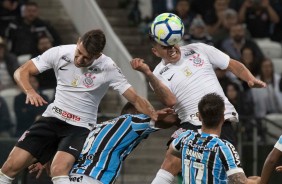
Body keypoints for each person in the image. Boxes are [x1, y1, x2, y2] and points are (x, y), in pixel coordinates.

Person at [0, 29, 157, 184]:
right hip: (52, 118)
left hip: (80, 127)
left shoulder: (108, 67)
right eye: (79, 52)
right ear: (78, 42)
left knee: (58, 170)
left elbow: (135, 99)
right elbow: (21, 71)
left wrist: (156, 117)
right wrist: (30, 91)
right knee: (10, 166)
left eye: (86, 57)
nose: (79, 59)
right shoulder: (59, 53)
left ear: (97, 55)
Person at [130, 26, 266, 183]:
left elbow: (231, 64)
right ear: (155, 51)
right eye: (165, 47)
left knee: (230, 176)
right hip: (191, 123)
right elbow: (170, 101)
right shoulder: (157, 74)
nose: (172, 49)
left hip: (220, 119)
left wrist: (249, 78)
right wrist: (148, 73)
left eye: (173, 43)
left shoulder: (199, 49)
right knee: (170, 162)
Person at [29, 102, 178, 184]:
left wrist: (48, 158)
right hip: (93, 180)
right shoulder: (130, 120)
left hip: (69, 178)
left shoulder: (94, 128)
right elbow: (168, 120)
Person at [168, 93, 261, 183]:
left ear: (199, 117)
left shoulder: (185, 137)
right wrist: (257, 181)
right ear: (223, 118)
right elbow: (240, 182)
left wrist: (196, 155)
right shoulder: (223, 148)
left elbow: (172, 150)